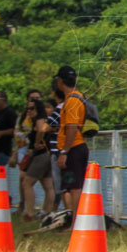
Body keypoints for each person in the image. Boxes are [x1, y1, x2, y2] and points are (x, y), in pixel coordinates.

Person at [54, 65, 89, 218]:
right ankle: (73, 221)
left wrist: (64, 152)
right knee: (69, 186)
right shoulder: (72, 98)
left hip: (74, 148)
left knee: (75, 188)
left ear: (60, 81)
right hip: (73, 148)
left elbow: (72, 129)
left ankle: (76, 222)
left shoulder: (72, 101)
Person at [20, 99, 55, 221]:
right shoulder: (41, 120)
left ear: (38, 109)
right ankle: (46, 213)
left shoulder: (40, 119)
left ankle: (30, 213)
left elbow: (41, 130)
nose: (28, 111)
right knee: (48, 186)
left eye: (31, 108)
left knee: (27, 183)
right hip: (47, 155)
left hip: (41, 155)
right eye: (27, 108)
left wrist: (36, 142)